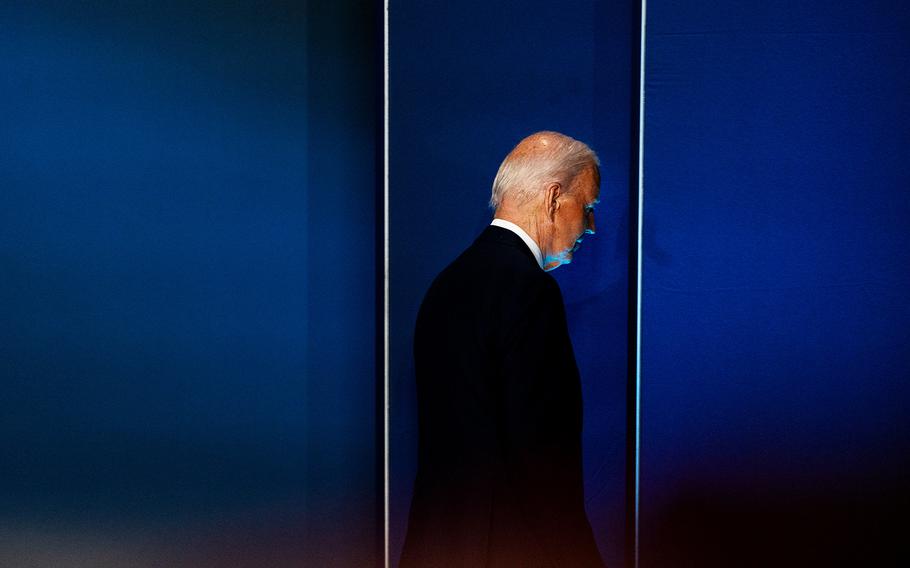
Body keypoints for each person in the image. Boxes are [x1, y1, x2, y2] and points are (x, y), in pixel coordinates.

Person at [399, 131, 605, 567]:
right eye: (587, 208)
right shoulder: (532, 291)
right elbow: (541, 456)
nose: (590, 227)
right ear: (553, 199)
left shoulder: (445, 284)